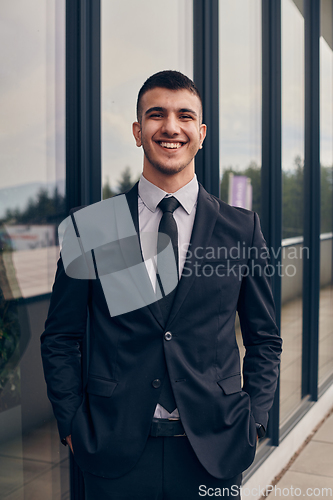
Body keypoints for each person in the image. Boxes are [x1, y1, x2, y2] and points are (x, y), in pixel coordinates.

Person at [41, 70, 282, 499]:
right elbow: (61, 336)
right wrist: (72, 426)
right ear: (138, 131)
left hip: (214, 448)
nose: (171, 127)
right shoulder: (95, 228)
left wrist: (256, 420)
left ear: (201, 133)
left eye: (185, 116)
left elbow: (265, 338)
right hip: (110, 451)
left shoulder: (241, 229)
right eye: (156, 115)